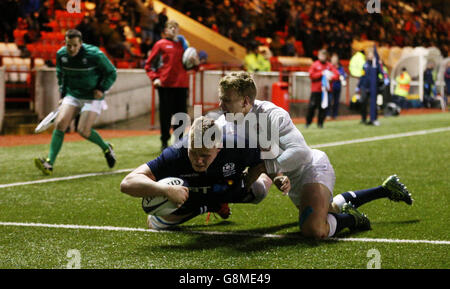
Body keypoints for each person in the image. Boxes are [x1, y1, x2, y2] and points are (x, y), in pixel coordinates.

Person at [217, 71, 413, 239]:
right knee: (329, 209)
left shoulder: (271, 115)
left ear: (245, 101)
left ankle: (353, 218)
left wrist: (262, 168)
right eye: (221, 99)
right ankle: (385, 189)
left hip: (310, 168)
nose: (220, 105)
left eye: (226, 100)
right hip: (289, 180)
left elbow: (300, 152)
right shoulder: (227, 121)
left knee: (314, 229)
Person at [120, 116, 290, 229]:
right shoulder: (176, 153)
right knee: (156, 225)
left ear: (219, 148)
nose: (198, 160)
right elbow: (127, 183)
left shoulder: (237, 146)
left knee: (259, 192)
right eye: (193, 152)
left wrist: (278, 177)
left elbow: (266, 159)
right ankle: (209, 206)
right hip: (192, 195)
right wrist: (165, 190)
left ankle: (220, 199)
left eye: (205, 155)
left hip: (228, 186)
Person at [34, 29, 117, 175]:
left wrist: (101, 88)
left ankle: (106, 148)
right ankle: (49, 163)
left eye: (74, 45)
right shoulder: (61, 55)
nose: (71, 49)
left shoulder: (95, 54)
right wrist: (63, 94)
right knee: (60, 124)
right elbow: (61, 74)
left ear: (81, 44)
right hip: (73, 94)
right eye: (68, 45)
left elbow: (111, 72)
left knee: (83, 130)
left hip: (93, 96)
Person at [145, 20, 198, 151]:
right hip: (165, 85)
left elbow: (193, 67)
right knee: (165, 115)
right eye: (170, 27)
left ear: (178, 30)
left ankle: (179, 141)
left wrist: (195, 62)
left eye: (175, 27)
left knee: (181, 115)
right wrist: (155, 78)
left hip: (182, 85)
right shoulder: (160, 44)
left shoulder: (184, 46)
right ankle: (164, 141)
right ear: (165, 31)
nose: (173, 29)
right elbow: (148, 65)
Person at [306, 49, 339, 128]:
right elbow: (311, 75)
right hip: (316, 90)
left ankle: (320, 124)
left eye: (324, 56)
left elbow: (337, 75)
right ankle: (308, 123)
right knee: (312, 107)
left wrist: (330, 77)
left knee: (323, 108)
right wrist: (321, 73)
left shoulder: (329, 65)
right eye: (321, 55)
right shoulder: (315, 65)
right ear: (318, 56)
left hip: (325, 91)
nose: (322, 57)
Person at [327, 53, 347, 119]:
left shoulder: (340, 68)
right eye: (333, 59)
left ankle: (335, 115)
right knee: (329, 101)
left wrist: (343, 78)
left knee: (336, 101)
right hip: (330, 86)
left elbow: (344, 75)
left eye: (335, 59)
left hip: (337, 86)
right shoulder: (329, 67)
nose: (334, 60)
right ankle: (328, 114)